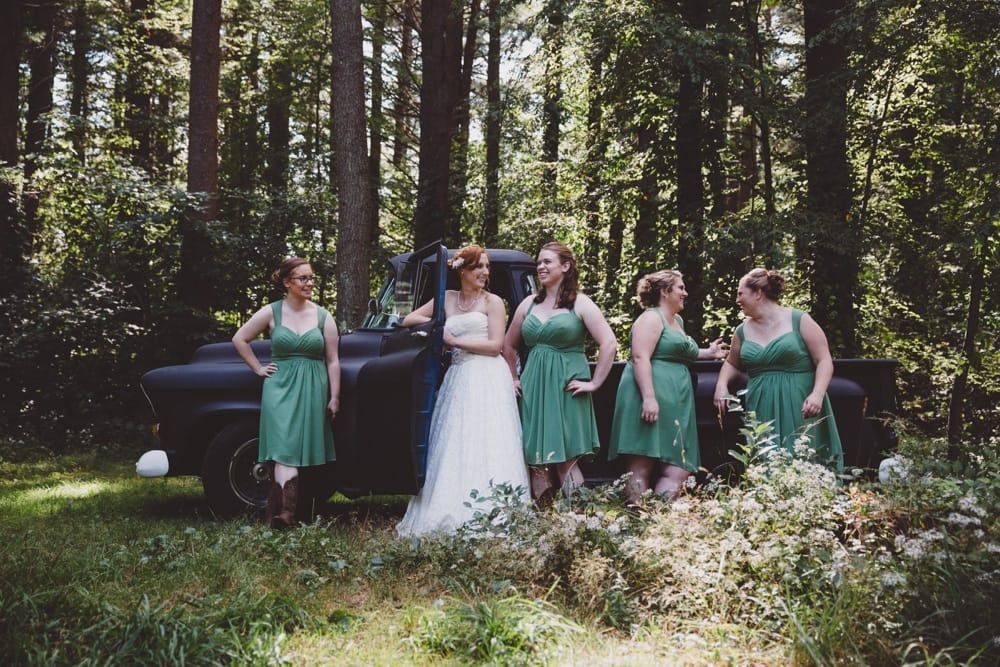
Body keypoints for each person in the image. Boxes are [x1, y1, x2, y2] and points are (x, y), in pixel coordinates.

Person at [396, 245, 530, 537]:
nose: (484, 273)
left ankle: (492, 510)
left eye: (486, 267)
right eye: (477, 267)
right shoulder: (448, 299)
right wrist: (438, 328)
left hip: (487, 375)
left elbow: (495, 345)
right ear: (462, 271)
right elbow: (408, 319)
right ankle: (450, 507)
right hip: (458, 375)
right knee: (455, 440)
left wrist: (453, 340)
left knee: (487, 440)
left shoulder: (493, 302)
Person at [502, 242, 617, 502]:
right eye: (539, 262)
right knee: (536, 458)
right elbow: (508, 345)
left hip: (567, 385)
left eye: (547, 262)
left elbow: (609, 343)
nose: (541, 267)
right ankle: (544, 523)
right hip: (534, 386)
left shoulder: (581, 303)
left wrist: (595, 383)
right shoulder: (528, 305)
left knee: (565, 458)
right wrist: (514, 377)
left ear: (565, 266)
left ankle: (575, 519)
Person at [233, 258, 340, 528]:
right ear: (287, 282)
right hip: (279, 388)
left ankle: (278, 514)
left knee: (296, 450)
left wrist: (335, 396)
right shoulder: (271, 312)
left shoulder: (323, 316)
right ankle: (286, 515)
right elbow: (239, 339)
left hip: (313, 387)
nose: (310, 283)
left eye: (311, 278)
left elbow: (333, 360)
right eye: (303, 278)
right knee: (282, 449)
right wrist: (257, 368)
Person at [608, 270, 727, 503]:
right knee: (642, 461)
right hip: (648, 393)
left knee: (677, 467)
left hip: (676, 399)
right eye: (680, 288)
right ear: (664, 291)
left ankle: (659, 519)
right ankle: (638, 521)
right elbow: (641, 357)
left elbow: (677, 351)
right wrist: (649, 398)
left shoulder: (677, 321)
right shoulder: (651, 318)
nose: (685, 292)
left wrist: (709, 353)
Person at [712, 268, 843, 470]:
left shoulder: (799, 320)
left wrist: (817, 394)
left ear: (758, 293)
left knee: (802, 454)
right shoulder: (742, 330)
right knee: (766, 457)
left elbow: (824, 360)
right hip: (761, 401)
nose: (737, 300)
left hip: (800, 400)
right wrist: (721, 385)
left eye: (740, 293)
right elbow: (732, 363)